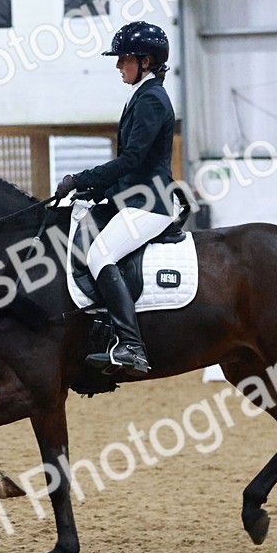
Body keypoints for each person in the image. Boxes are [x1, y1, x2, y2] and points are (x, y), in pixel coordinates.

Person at [54, 21, 177, 378]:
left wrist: (82, 178)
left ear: (147, 61)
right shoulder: (141, 95)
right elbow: (129, 170)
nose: (118, 65)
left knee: (100, 254)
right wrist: (91, 191)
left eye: (124, 58)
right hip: (132, 197)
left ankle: (131, 346)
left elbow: (132, 161)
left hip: (150, 203)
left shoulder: (152, 99)